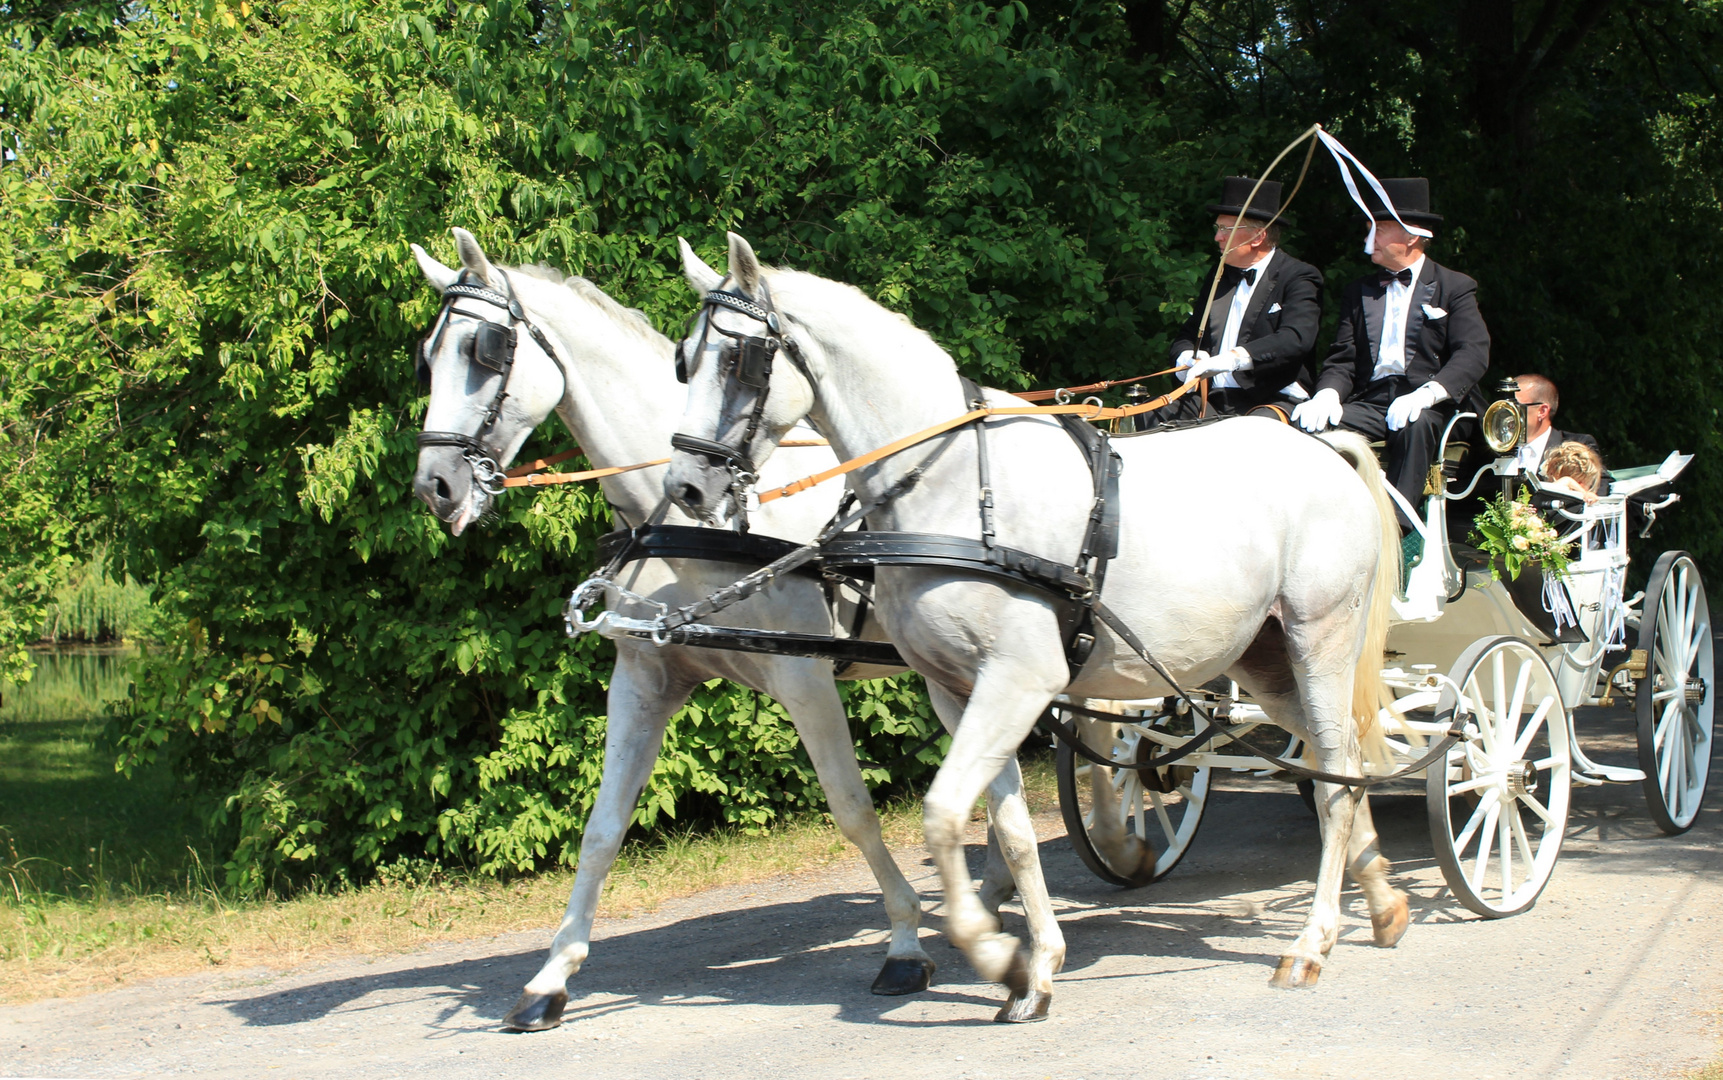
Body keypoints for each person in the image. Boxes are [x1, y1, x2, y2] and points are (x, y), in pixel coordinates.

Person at [1292, 177, 1490, 535]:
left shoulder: (1455, 286)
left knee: (1416, 424)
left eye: (1380, 228)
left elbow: (1473, 352)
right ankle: (1311, 528)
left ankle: (1392, 529)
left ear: (1411, 236)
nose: (1371, 238)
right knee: (1306, 427)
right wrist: (1328, 393)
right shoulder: (1361, 290)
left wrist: (1429, 392)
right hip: (1374, 401)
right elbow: (1343, 358)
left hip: (1435, 405)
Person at [1148, 176, 1322, 424]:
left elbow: (1295, 339)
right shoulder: (1218, 274)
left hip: (1273, 397)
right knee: (1153, 413)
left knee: (1249, 435)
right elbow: (1187, 334)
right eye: (1217, 229)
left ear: (1257, 237)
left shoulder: (1298, 275)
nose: (1218, 237)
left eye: (1226, 230)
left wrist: (1232, 358)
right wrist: (1187, 356)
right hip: (1214, 398)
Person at [1511, 372, 1601, 474]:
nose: (1506, 412)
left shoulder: (1578, 446)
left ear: (1542, 411)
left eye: (1515, 406)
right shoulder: (1495, 449)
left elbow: (1600, 485)